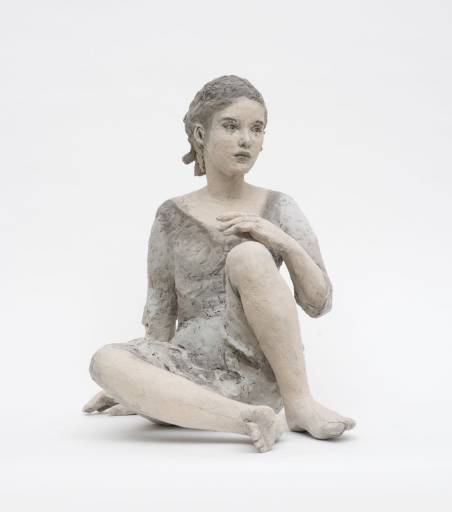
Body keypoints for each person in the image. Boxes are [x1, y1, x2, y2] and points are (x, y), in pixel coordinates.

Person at [83, 75, 356, 452]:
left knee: (249, 255)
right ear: (201, 134)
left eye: (257, 128)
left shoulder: (278, 207)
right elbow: (160, 314)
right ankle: (245, 419)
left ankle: (300, 404)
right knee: (104, 361)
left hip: (253, 374)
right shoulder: (171, 215)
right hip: (188, 374)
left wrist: (281, 241)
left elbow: (318, 302)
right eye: (231, 126)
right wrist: (141, 380)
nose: (246, 139)